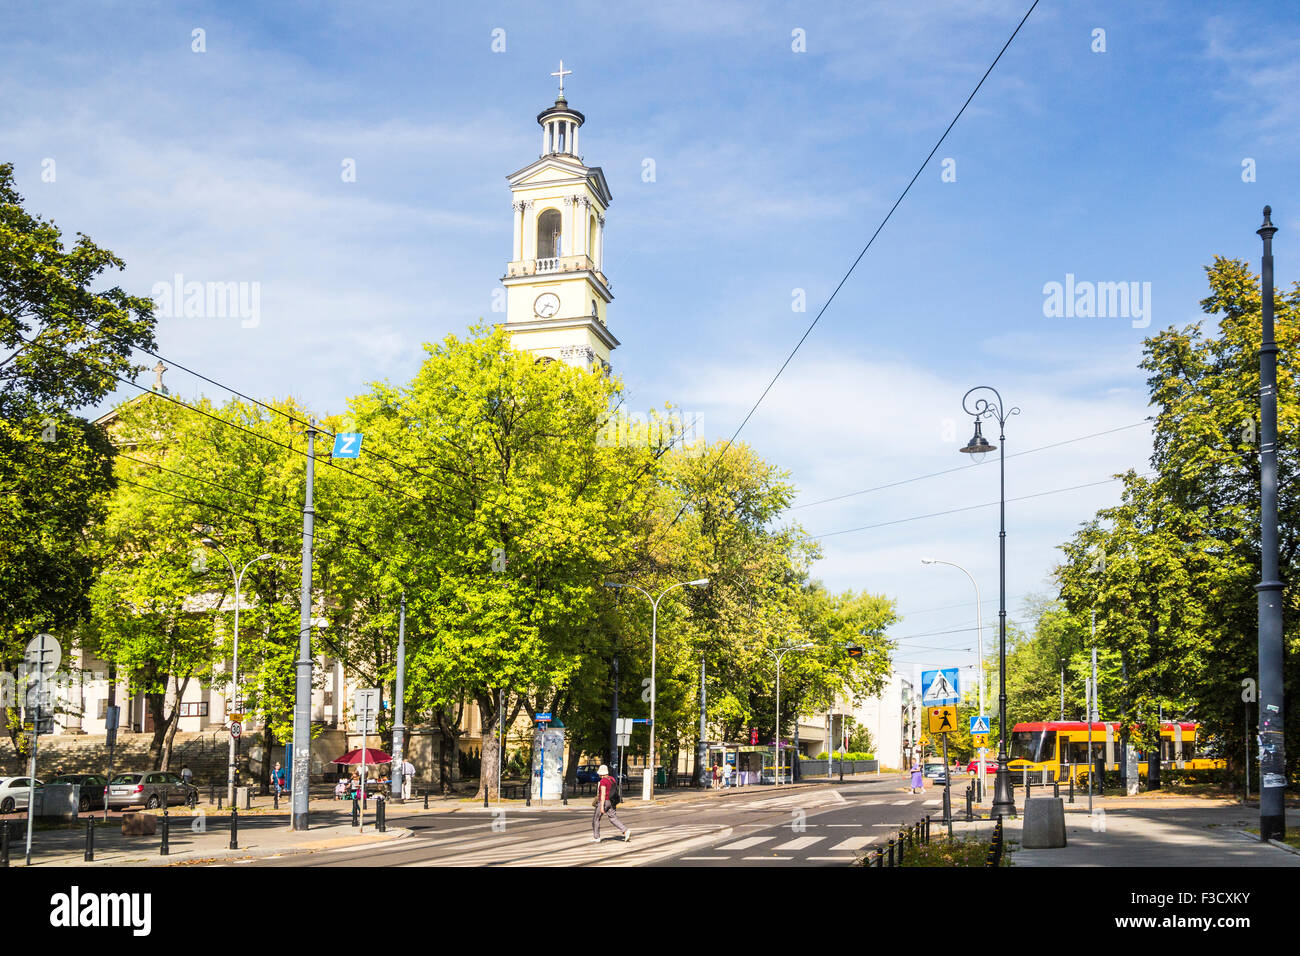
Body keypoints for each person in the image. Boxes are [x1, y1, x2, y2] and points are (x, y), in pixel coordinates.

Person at [592, 764, 630, 843]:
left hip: (604, 802)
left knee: (596, 819)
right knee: (613, 818)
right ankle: (625, 831)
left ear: (601, 773)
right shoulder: (612, 779)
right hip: (612, 802)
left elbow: (603, 794)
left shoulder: (603, 781)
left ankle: (596, 837)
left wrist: (602, 806)